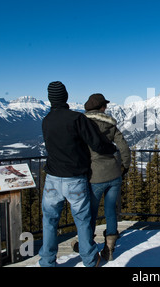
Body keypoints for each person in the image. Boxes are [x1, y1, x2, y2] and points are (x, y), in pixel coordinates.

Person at [39, 81, 116, 267]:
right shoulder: (77, 119)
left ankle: (47, 261)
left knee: (49, 221)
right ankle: (89, 259)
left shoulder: (46, 120)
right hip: (74, 178)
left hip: (52, 179)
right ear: (65, 96)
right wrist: (111, 148)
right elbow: (97, 143)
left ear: (50, 99)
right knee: (82, 220)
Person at [83, 93, 131, 261]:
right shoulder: (111, 125)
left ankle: (87, 244)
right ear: (101, 107)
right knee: (111, 211)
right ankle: (109, 247)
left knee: (91, 212)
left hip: (94, 175)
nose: (107, 108)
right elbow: (123, 146)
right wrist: (125, 165)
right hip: (114, 173)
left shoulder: (84, 124)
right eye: (105, 105)